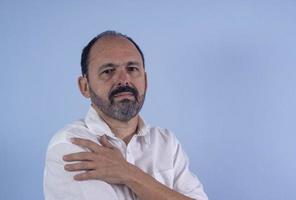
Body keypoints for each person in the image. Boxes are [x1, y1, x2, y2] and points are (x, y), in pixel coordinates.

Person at [43, 30, 208, 200]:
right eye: (108, 71)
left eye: (132, 69)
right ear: (85, 86)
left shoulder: (166, 142)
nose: (124, 79)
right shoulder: (71, 147)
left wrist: (129, 174)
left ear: (146, 81)